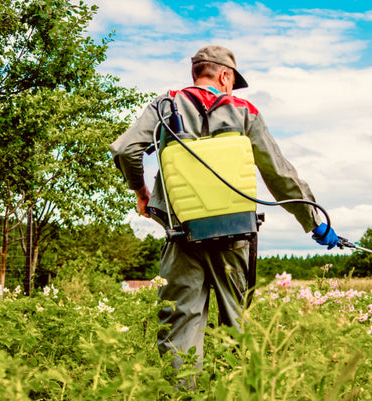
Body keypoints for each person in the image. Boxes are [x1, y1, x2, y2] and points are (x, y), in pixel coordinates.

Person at [109, 45, 339, 372]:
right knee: (236, 324)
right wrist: (315, 223)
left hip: (182, 235)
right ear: (224, 75)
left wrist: (141, 191)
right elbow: (279, 173)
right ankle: (234, 398)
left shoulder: (165, 105)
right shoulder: (245, 111)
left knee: (180, 326)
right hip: (236, 236)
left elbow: (125, 149)